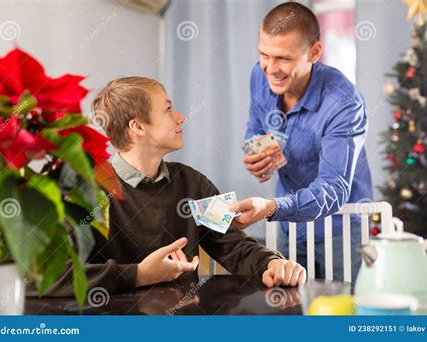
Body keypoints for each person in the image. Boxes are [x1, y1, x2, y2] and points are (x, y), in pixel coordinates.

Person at [27, 76, 306, 299]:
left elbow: (233, 244)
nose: (181, 117)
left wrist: (271, 263)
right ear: (138, 127)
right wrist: (139, 274)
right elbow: (40, 277)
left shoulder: (193, 183)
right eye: (169, 108)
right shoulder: (84, 190)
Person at [231, 2, 373, 281]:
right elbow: (256, 127)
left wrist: (272, 207)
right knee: (289, 310)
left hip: (342, 227)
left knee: (344, 314)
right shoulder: (259, 76)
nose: (271, 68)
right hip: (290, 227)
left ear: (314, 52)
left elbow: (333, 189)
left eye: (283, 58)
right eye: (264, 55)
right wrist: (259, 154)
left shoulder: (344, 103)